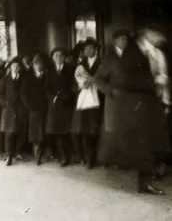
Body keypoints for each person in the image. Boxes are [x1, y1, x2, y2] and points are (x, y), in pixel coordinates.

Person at [96, 28, 170, 195]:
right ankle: (122, 174)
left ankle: (145, 181)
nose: (124, 41)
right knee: (121, 141)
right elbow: (98, 79)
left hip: (137, 104)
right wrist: (110, 90)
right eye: (120, 39)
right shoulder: (109, 59)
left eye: (125, 39)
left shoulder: (135, 56)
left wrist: (156, 86)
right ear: (114, 41)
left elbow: (144, 77)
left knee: (144, 142)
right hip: (117, 105)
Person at [71, 37, 103, 169]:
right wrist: (80, 87)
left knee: (97, 130)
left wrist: (96, 83)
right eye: (86, 49)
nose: (88, 50)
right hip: (84, 102)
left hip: (99, 101)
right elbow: (73, 84)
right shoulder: (80, 65)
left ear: (96, 49)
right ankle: (89, 159)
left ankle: (99, 158)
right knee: (85, 131)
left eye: (91, 48)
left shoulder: (102, 63)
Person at [45, 48, 77, 167]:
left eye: (60, 55)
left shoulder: (71, 69)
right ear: (53, 58)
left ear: (64, 57)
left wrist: (66, 96)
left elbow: (74, 85)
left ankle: (72, 155)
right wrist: (53, 98)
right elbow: (46, 88)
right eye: (56, 55)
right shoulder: (49, 71)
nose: (58, 57)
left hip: (67, 104)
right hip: (54, 106)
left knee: (68, 132)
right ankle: (64, 156)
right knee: (57, 132)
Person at [0, 58, 29, 166]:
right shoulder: (5, 79)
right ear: (10, 68)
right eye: (14, 66)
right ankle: (9, 156)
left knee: (21, 132)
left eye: (18, 66)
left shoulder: (24, 78)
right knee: (9, 133)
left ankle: (17, 152)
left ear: (20, 68)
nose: (16, 68)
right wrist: (5, 103)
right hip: (9, 109)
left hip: (21, 109)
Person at [21, 53, 48, 166]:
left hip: (46, 109)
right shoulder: (28, 78)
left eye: (40, 64)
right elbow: (24, 95)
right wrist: (31, 107)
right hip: (34, 110)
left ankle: (45, 153)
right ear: (33, 65)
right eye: (36, 64)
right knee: (36, 134)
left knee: (44, 132)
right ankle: (37, 155)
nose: (38, 66)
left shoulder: (46, 76)